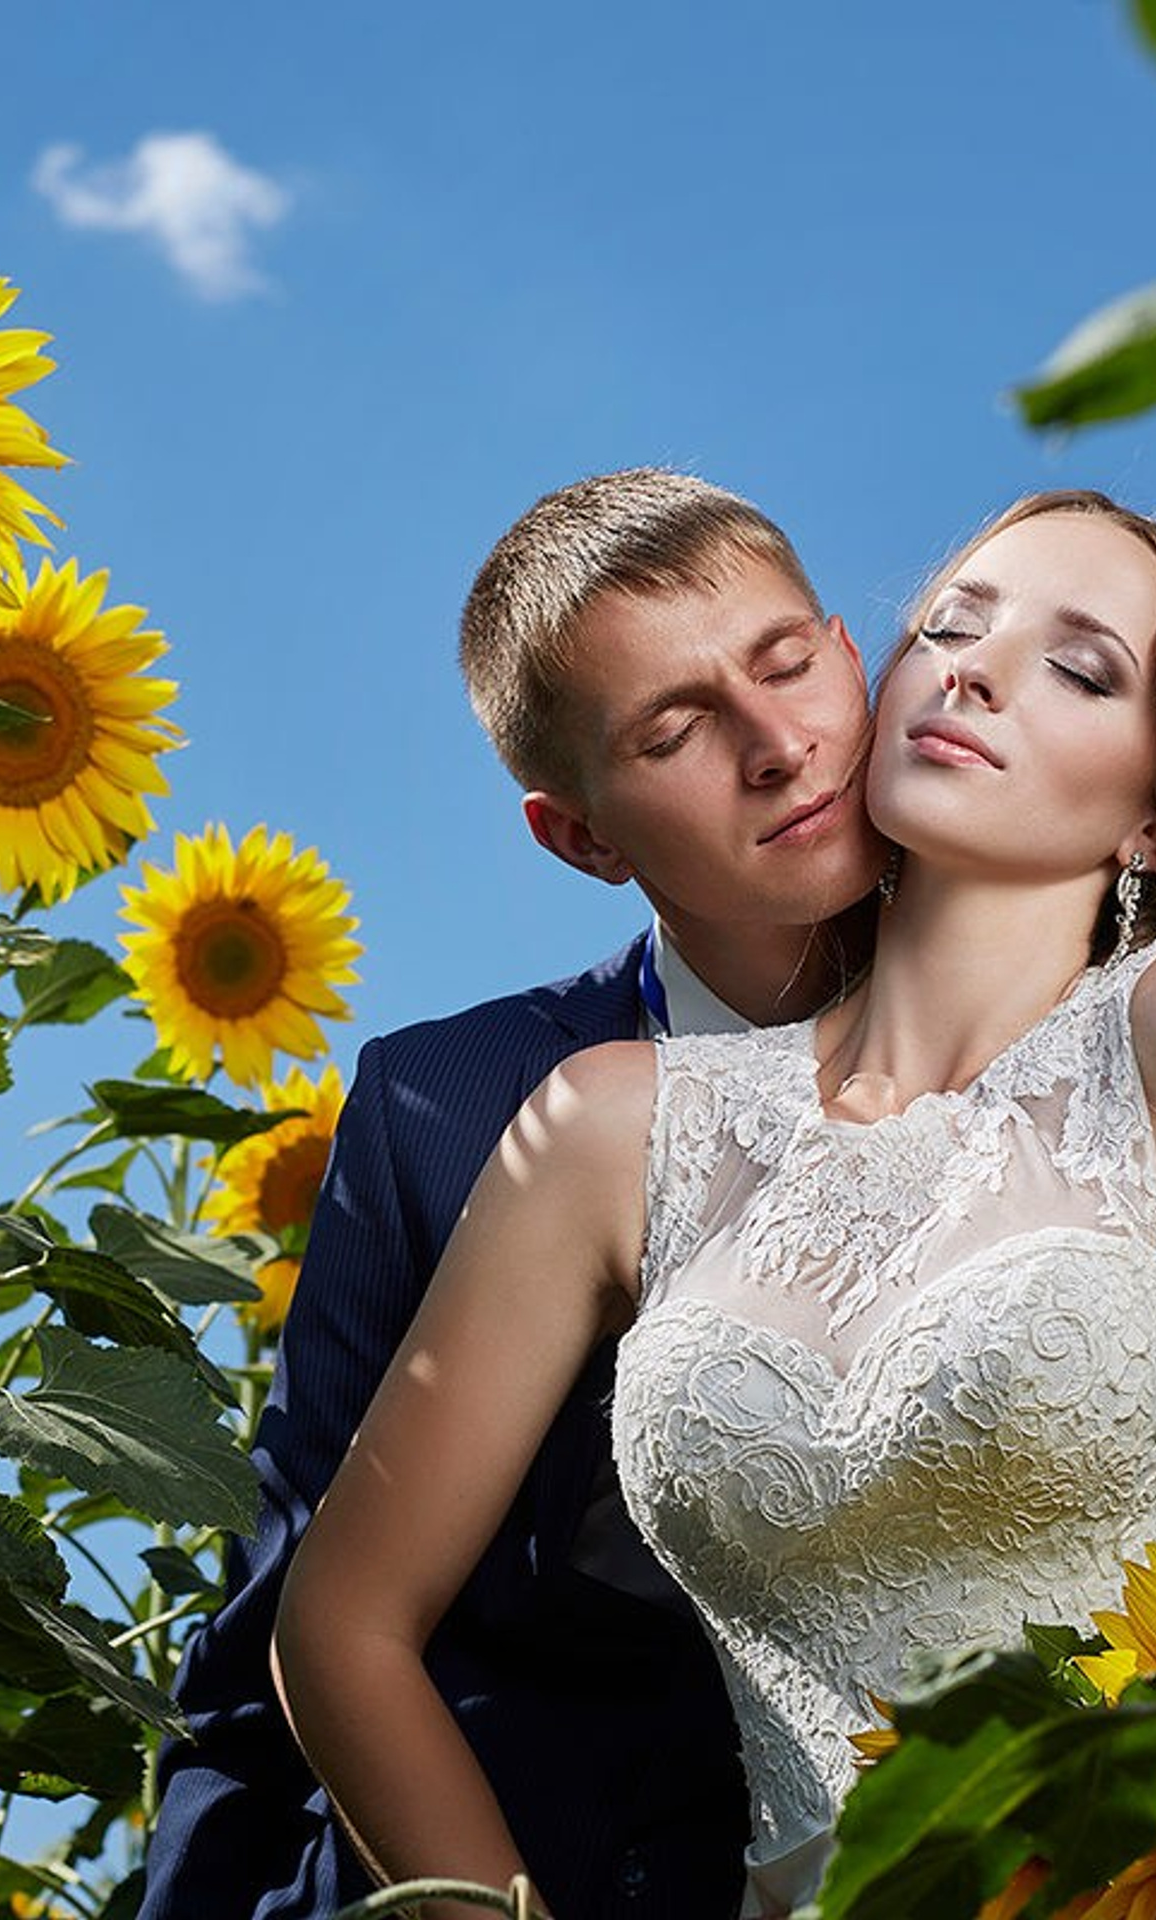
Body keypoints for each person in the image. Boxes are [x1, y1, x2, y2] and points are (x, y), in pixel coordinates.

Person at [271, 489, 1156, 1920]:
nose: (979, 670)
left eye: (1086, 666)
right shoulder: (605, 1121)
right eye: (955, 624)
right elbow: (334, 1615)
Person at [139, 468, 884, 1920]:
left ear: (853, 655)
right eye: (674, 729)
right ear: (581, 838)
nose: (778, 745)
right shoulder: (448, 1108)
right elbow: (282, 1632)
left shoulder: (1076, 993)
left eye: (790, 664)